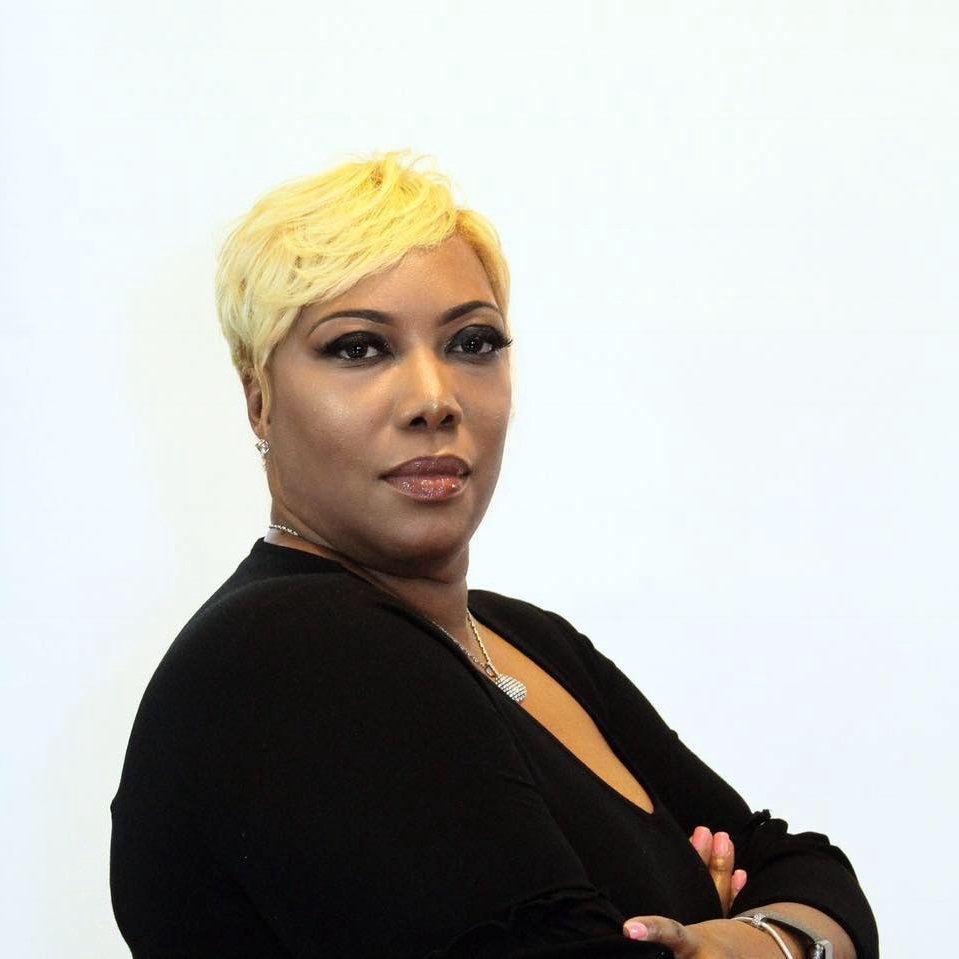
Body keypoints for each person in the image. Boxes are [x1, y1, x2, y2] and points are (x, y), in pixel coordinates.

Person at [110, 153, 878, 958]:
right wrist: (744, 925)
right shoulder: (293, 651)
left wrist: (741, 944)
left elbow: (803, 866)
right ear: (258, 396)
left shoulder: (530, 642)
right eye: (359, 349)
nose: (434, 399)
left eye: (472, 341)